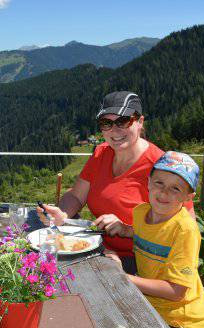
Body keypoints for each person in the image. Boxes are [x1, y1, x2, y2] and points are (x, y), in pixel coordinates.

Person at [37, 91, 194, 274]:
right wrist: (61, 215)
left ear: (140, 122)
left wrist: (128, 229)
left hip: (141, 263)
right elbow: (76, 195)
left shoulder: (162, 168)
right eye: (106, 123)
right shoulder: (102, 152)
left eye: (123, 121)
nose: (114, 130)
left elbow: (186, 230)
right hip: (97, 248)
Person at [104, 151, 204, 328]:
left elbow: (176, 291)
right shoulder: (141, 212)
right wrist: (126, 230)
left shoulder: (184, 229)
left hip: (182, 320)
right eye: (159, 183)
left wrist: (121, 277)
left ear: (188, 197)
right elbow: (153, 233)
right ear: (148, 183)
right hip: (150, 305)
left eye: (176, 188)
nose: (164, 192)